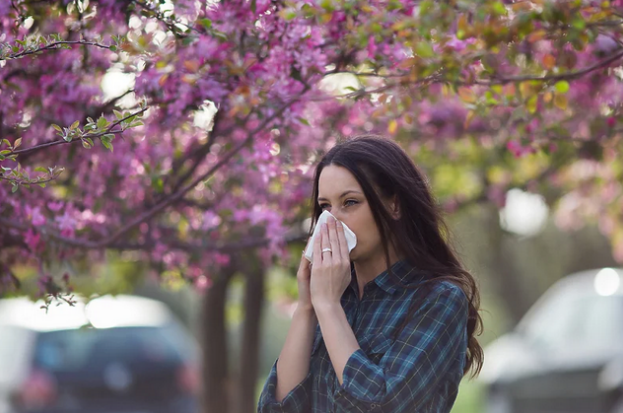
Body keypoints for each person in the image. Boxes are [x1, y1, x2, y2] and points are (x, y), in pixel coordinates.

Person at [257, 135, 483, 413]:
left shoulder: (438, 300)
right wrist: (307, 306)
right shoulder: (332, 298)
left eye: (350, 202)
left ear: (394, 205)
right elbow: (274, 409)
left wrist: (328, 308)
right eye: (325, 207)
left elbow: (384, 406)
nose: (332, 220)